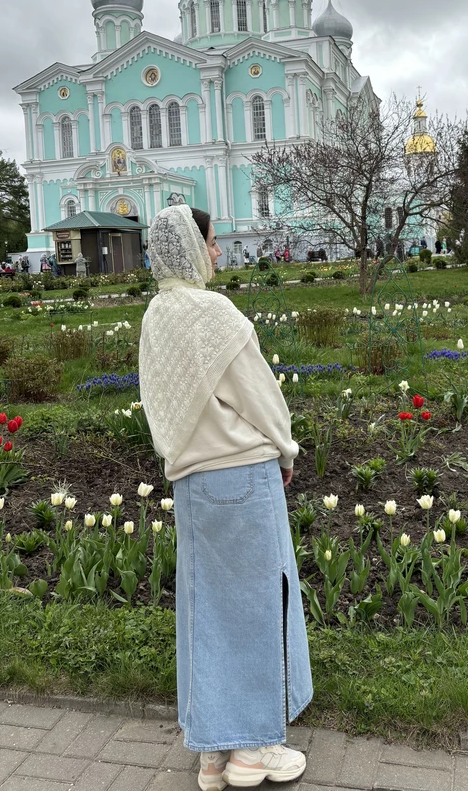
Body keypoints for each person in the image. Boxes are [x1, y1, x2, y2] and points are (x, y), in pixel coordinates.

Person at [139, 205, 312, 788]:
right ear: (192, 247)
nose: (216, 253)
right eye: (211, 243)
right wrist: (286, 449)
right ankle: (252, 753)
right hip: (240, 474)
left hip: (191, 483)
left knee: (206, 610)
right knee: (261, 605)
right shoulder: (213, 314)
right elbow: (259, 395)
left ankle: (212, 753)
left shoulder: (155, 317)